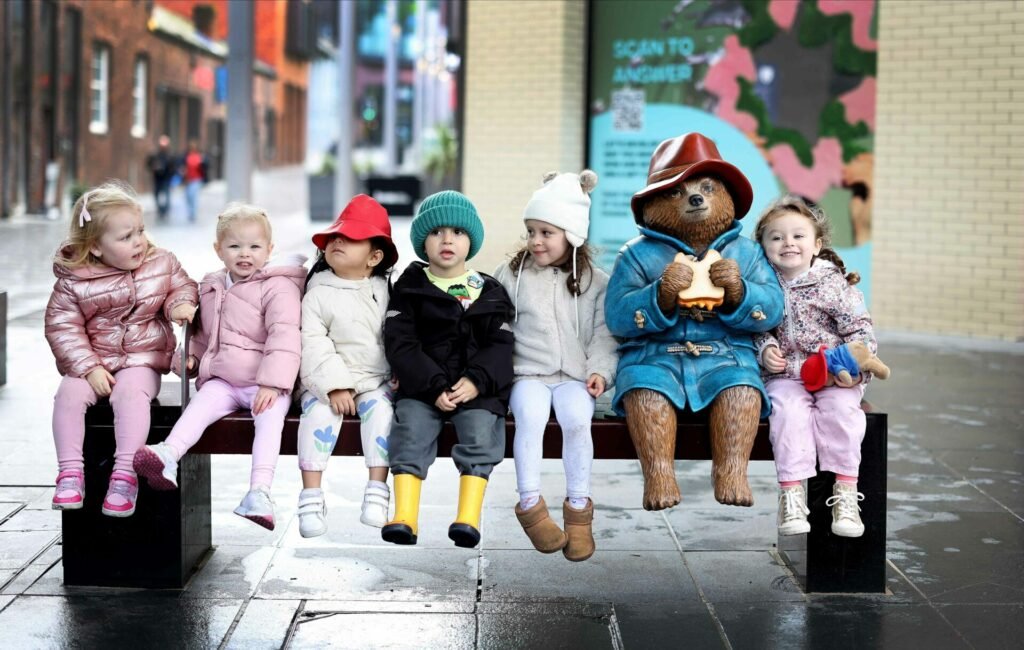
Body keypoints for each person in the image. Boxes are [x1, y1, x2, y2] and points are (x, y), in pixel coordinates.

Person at [133, 204, 305, 530]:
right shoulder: (212, 286)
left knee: (269, 422)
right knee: (199, 406)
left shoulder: (277, 286)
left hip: (264, 383)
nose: (245, 254)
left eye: (254, 246)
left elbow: (285, 336)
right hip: (224, 379)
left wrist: (273, 383)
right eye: (234, 246)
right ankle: (169, 454)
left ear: (269, 250)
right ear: (218, 249)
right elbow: (204, 333)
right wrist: (192, 359)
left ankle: (259, 491)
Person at [45, 181, 198, 517]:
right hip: (93, 360)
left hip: (142, 360)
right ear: (96, 247)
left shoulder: (160, 262)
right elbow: (62, 327)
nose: (139, 242)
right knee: (68, 395)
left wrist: (179, 306)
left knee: (129, 396)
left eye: (140, 231)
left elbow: (181, 285)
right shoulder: (74, 281)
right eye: (126, 237)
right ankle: (70, 473)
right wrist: (88, 367)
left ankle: (125, 474)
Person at [493, 170, 617, 562]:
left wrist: (599, 370)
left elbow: (604, 334)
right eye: (531, 231)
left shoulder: (596, 281)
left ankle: (578, 512)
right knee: (529, 418)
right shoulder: (511, 275)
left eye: (547, 232)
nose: (535, 241)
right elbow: (497, 325)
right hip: (528, 372)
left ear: (572, 234)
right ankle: (530, 506)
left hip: (575, 376)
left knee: (578, 420)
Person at [382, 191, 514, 549]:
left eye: (457, 231)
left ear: (470, 240)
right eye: (437, 231)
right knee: (410, 427)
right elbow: (401, 344)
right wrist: (433, 387)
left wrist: (476, 381)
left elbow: (500, 346)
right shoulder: (408, 290)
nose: (447, 239)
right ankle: (405, 516)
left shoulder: (489, 291)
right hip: (423, 388)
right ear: (422, 241)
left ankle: (467, 518)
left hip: (476, 389)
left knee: (480, 429)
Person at [753, 195, 878, 538]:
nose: (788, 243)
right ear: (762, 245)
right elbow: (754, 326)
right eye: (776, 237)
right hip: (786, 375)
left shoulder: (833, 283)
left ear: (816, 244)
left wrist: (854, 364)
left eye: (798, 236)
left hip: (834, 375)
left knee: (842, 414)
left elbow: (860, 330)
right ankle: (792, 494)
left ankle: (846, 494)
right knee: (786, 413)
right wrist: (764, 349)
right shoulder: (763, 287)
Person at [295, 195, 399, 537]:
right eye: (335, 236)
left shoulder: (386, 290)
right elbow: (313, 342)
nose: (338, 241)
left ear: (374, 257)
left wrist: (400, 371)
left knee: (382, 415)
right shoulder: (318, 292)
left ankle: (376, 492)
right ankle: (311, 495)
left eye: (351, 237)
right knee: (317, 418)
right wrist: (334, 385)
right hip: (326, 385)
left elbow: (397, 335)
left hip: (374, 381)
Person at [147, 135, 176, 220]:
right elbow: (148, 164)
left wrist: (170, 172)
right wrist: (153, 168)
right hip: (157, 179)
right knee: (156, 195)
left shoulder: (170, 155)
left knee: (167, 195)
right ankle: (160, 209)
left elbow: (174, 167)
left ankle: (165, 210)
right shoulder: (155, 155)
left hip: (166, 179)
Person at [181, 139, 207, 223]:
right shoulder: (186, 156)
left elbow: (203, 167)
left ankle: (193, 214)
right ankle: (190, 212)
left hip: (196, 179)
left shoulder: (199, 156)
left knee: (193, 196)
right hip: (188, 179)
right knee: (188, 197)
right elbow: (183, 166)